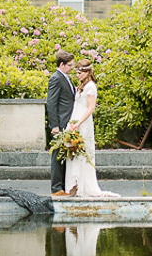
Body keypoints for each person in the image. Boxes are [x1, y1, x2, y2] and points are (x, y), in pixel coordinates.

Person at [65, 61, 119, 198]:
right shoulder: (81, 86)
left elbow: (91, 108)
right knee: (73, 151)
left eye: (80, 73)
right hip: (75, 118)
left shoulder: (90, 87)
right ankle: (74, 185)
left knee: (83, 152)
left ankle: (84, 185)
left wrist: (79, 123)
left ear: (88, 72)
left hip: (83, 121)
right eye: (77, 73)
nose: (78, 75)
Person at [47, 50, 76, 196]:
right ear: (62, 64)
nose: (72, 67)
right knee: (57, 156)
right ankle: (56, 188)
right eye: (70, 65)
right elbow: (51, 103)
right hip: (60, 124)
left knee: (63, 155)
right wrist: (55, 125)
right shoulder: (56, 78)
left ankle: (63, 186)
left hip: (67, 122)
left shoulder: (65, 78)